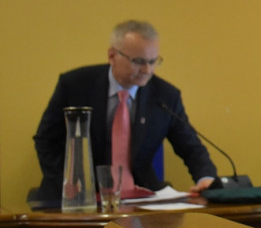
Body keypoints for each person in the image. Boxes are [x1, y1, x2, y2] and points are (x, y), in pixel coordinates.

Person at [33, 20, 217, 202]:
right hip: (78, 195)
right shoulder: (75, 85)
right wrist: (69, 182)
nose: (147, 70)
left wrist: (206, 178)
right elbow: (46, 140)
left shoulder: (165, 96)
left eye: (153, 61)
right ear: (112, 56)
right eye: (138, 61)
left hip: (141, 194)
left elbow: (190, 146)